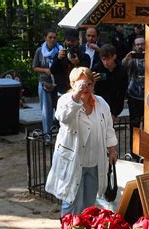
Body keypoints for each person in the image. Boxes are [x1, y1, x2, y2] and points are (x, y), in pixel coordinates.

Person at [45, 67, 118, 216]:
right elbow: (63, 118)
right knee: (71, 202)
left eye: (89, 84)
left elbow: (108, 128)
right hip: (73, 162)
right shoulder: (65, 101)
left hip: (94, 162)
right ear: (72, 84)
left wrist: (112, 150)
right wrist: (76, 96)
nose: (85, 88)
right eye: (81, 84)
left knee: (89, 205)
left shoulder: (101, 103)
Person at [32, 29, 62, 143]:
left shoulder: (60, 50)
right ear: (46, 38)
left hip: (58, 84)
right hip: (45, 83)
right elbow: (34, 67)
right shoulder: (40, 51)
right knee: (46, 111)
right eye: (50, 37)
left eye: (54, 38)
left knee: (59, 109)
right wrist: (45, 70)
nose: (52, 40)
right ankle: (47, 135)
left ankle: (60, 134)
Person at [122, 36, 145, 159]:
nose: (140, 47)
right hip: (134, 95)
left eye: (142, 44)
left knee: (147, 126)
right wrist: (127, 58)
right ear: (134, 46)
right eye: (138, 44)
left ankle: (146, 152)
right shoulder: (131, 58)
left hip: (147, 96)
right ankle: (134, 152)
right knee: (134, 125)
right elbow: (122, 67)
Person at [92, 44, 128, 121]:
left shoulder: (121, 71)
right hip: (97, 105)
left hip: (113, 106)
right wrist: (92, 81)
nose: (105, 63)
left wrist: (114, 113)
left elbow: (122, 93)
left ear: (114, 56)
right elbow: (91, 90)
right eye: (103, 59)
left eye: (108, 59)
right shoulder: (97, 68)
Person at [50, 28, 91, 96]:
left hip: (79, 90)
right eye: (68, 40)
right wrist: (58, 59)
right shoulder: (60, 55)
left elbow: (87, 74)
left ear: (78, 41)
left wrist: (77, 63)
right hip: (62, 91)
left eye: (73, 41)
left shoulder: (84, 56)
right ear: (65, 41)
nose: (70, 43)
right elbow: (52, 71)